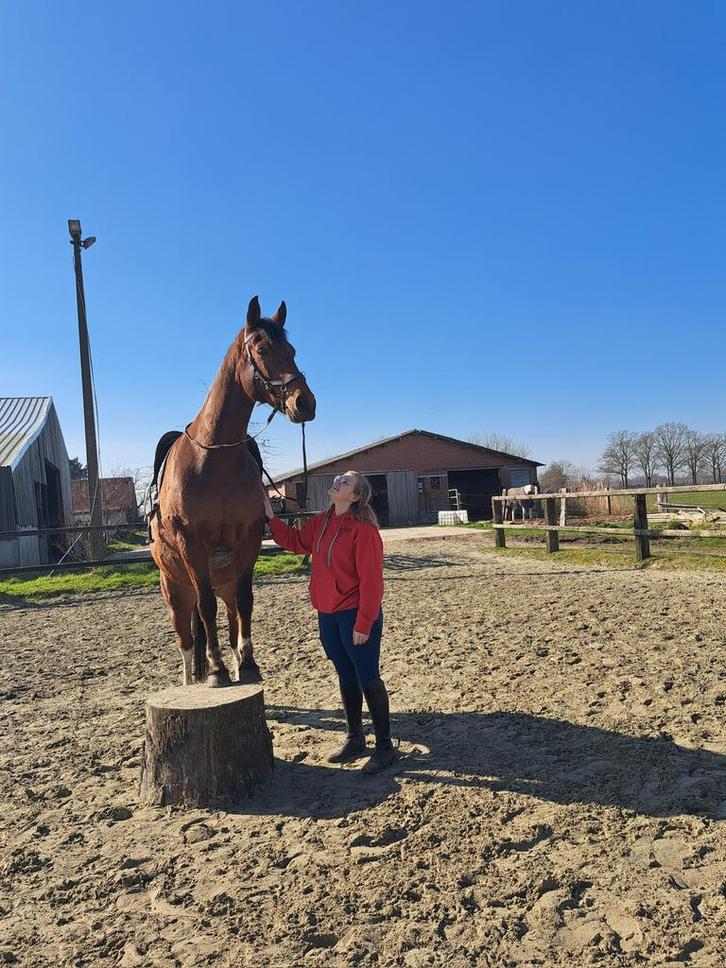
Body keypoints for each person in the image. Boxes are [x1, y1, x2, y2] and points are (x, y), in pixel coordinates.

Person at [262, 471, 396, 772]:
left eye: (345, 482)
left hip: (355, 615)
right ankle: (354, 738)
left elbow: (372, 582)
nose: (338, 481)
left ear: (356, 496)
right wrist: (271, 519)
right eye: (338, 478)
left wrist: (364, 622)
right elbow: (296, 542)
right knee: (345, 675)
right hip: (327, 615)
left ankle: (385, 747)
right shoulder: (320, 522)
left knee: (367, 677)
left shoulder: (364, 531)